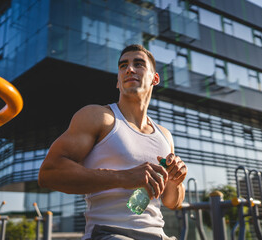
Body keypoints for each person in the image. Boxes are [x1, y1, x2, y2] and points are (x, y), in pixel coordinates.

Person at [38, 44, 188, 240]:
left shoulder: (165, 136)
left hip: (158, 235)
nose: (129, 69)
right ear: (118, 81)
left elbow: (172, 202)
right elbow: (48, 174)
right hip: (109, 233)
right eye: (123, 65)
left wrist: (176, 182)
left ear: (155, 78)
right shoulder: (98, 117)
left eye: (139, 64)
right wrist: (125, 178)